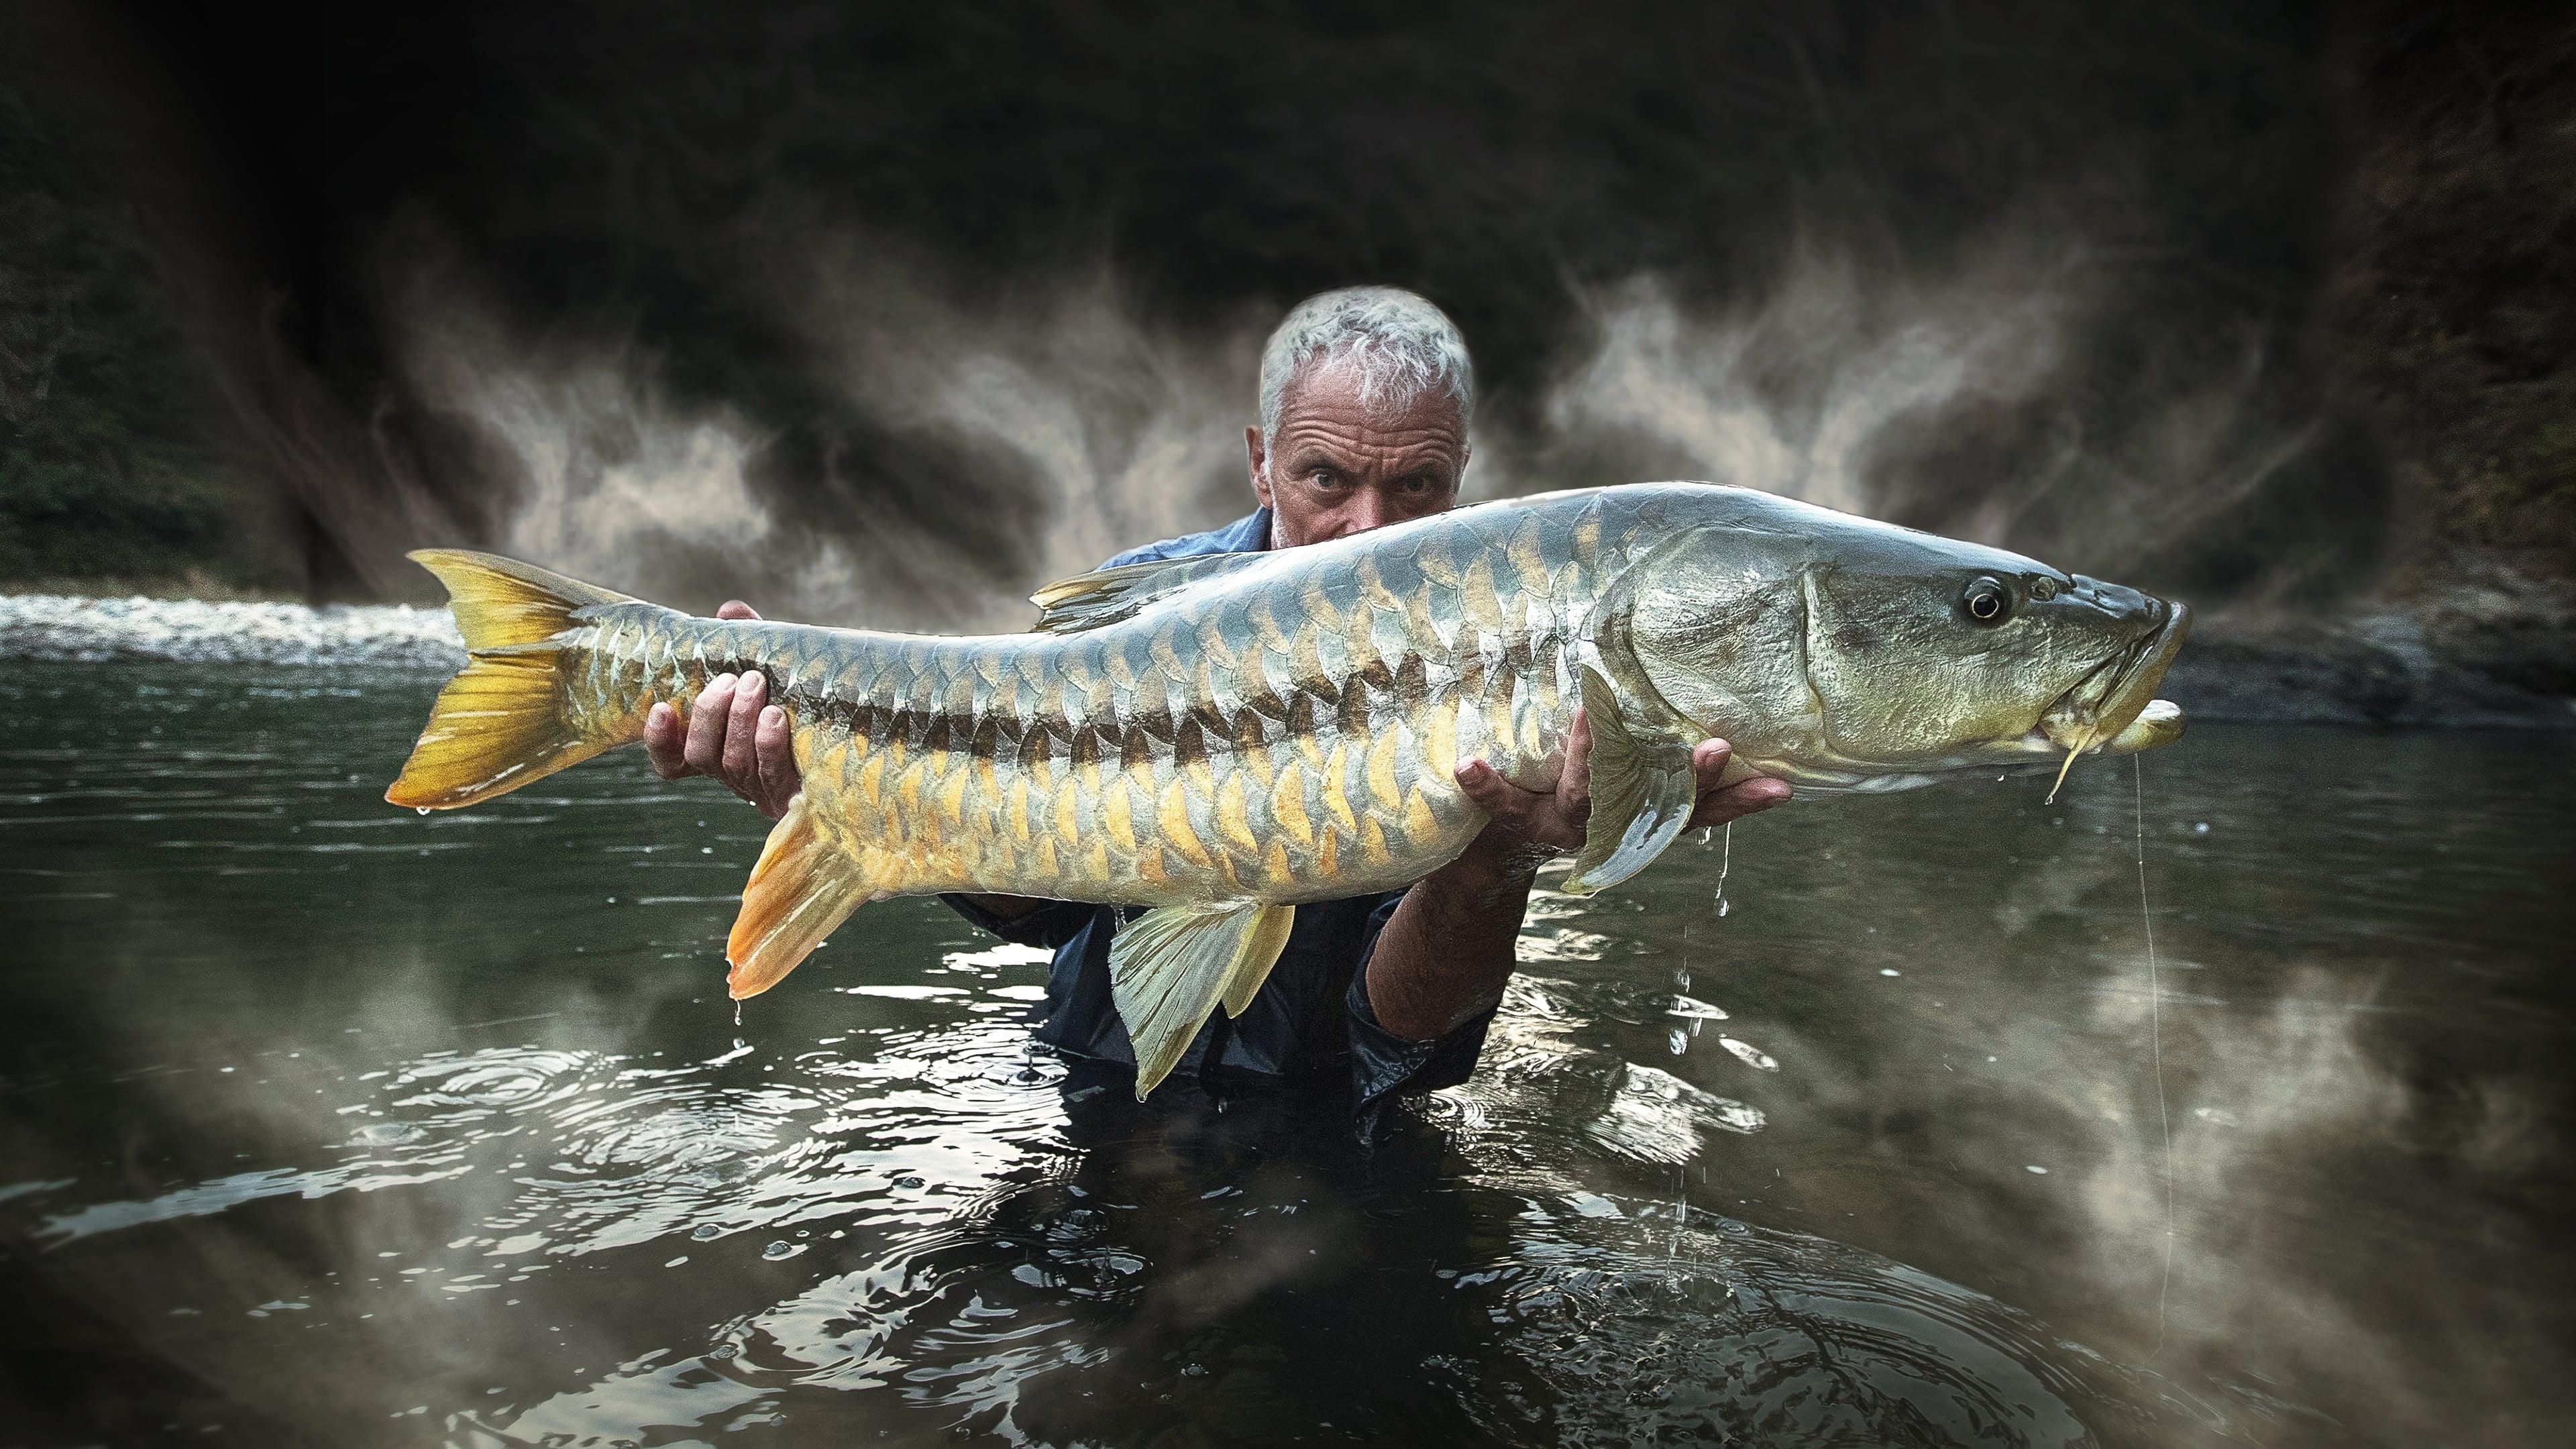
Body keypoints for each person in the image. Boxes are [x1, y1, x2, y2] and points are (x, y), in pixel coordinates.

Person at [643, 286, 1791, 1130]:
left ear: (1461, 480)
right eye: (1327, 479)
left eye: (1418, 486)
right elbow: (1045, 906)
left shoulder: (1509, 644)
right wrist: (838, 790)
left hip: (1345, 1123)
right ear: (1261, 462)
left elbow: (1402, 1046)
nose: (1371, 529)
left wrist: (1495, 856)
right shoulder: (1150, 602)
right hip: (1089, 1088)